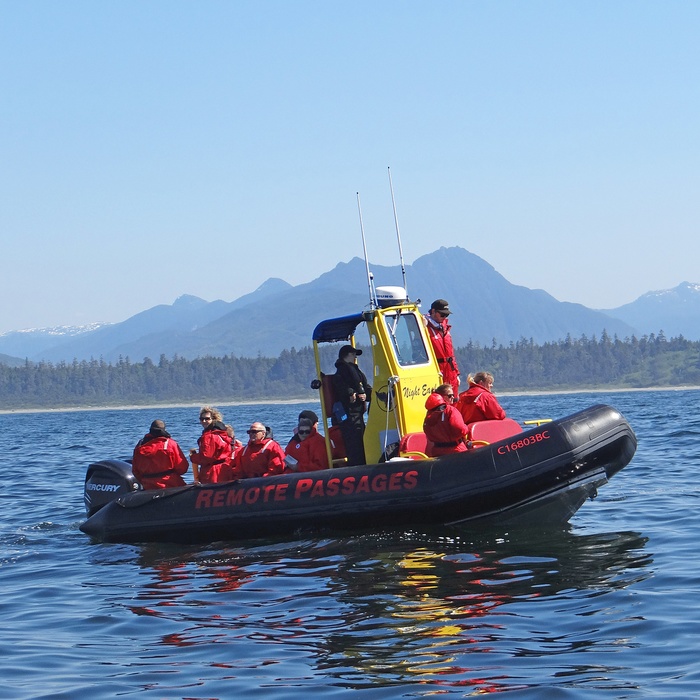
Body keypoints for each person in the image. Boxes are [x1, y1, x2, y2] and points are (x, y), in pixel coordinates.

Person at [331, 344, 372, 466]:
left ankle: (364, 463)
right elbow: (340, 385)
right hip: (348, 412)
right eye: (353, 354)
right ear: (346, 355)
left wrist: (368, 395)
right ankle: (356, 465)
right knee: (354, 441)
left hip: (358, 412)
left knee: (361, 438)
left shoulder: (356, 370)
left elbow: (364, 386)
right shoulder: (341, 371)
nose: (355, 356)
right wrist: (350, 393)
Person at [132, 419, 189, 489]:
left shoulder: (140, 445)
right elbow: (182, 468)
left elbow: (135, 470)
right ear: (164, 430)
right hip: (170, 485)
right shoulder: (170, 444)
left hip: (148, 486)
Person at [424, 299, 460, 395]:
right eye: (442, 314)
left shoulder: (445, 329)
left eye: (446, 315)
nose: (444, 317)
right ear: (433, 311)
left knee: (453, 402)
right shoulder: (424, 326)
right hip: (437, 372)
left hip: (451, 373)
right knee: (440, 402)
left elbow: (451, 355)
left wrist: (456, 374)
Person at [422, 384, 469, 457]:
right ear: (442, 397)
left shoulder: (429, 414)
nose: (453, 397)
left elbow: (427, 431)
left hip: (437, 452)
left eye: (453, 395)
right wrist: (466, 428)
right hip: (456, 451)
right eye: (450, 396)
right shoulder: (450, 410)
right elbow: (460, 429)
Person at [190, 406, 233, 483]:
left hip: (213, 472)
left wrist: (193, 457)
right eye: (201, 419)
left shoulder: (209, 436)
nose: (204, 421)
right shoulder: (223, 433)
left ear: (213, 419)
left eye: (207, 419)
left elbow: (206, 457)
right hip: (225, 469)